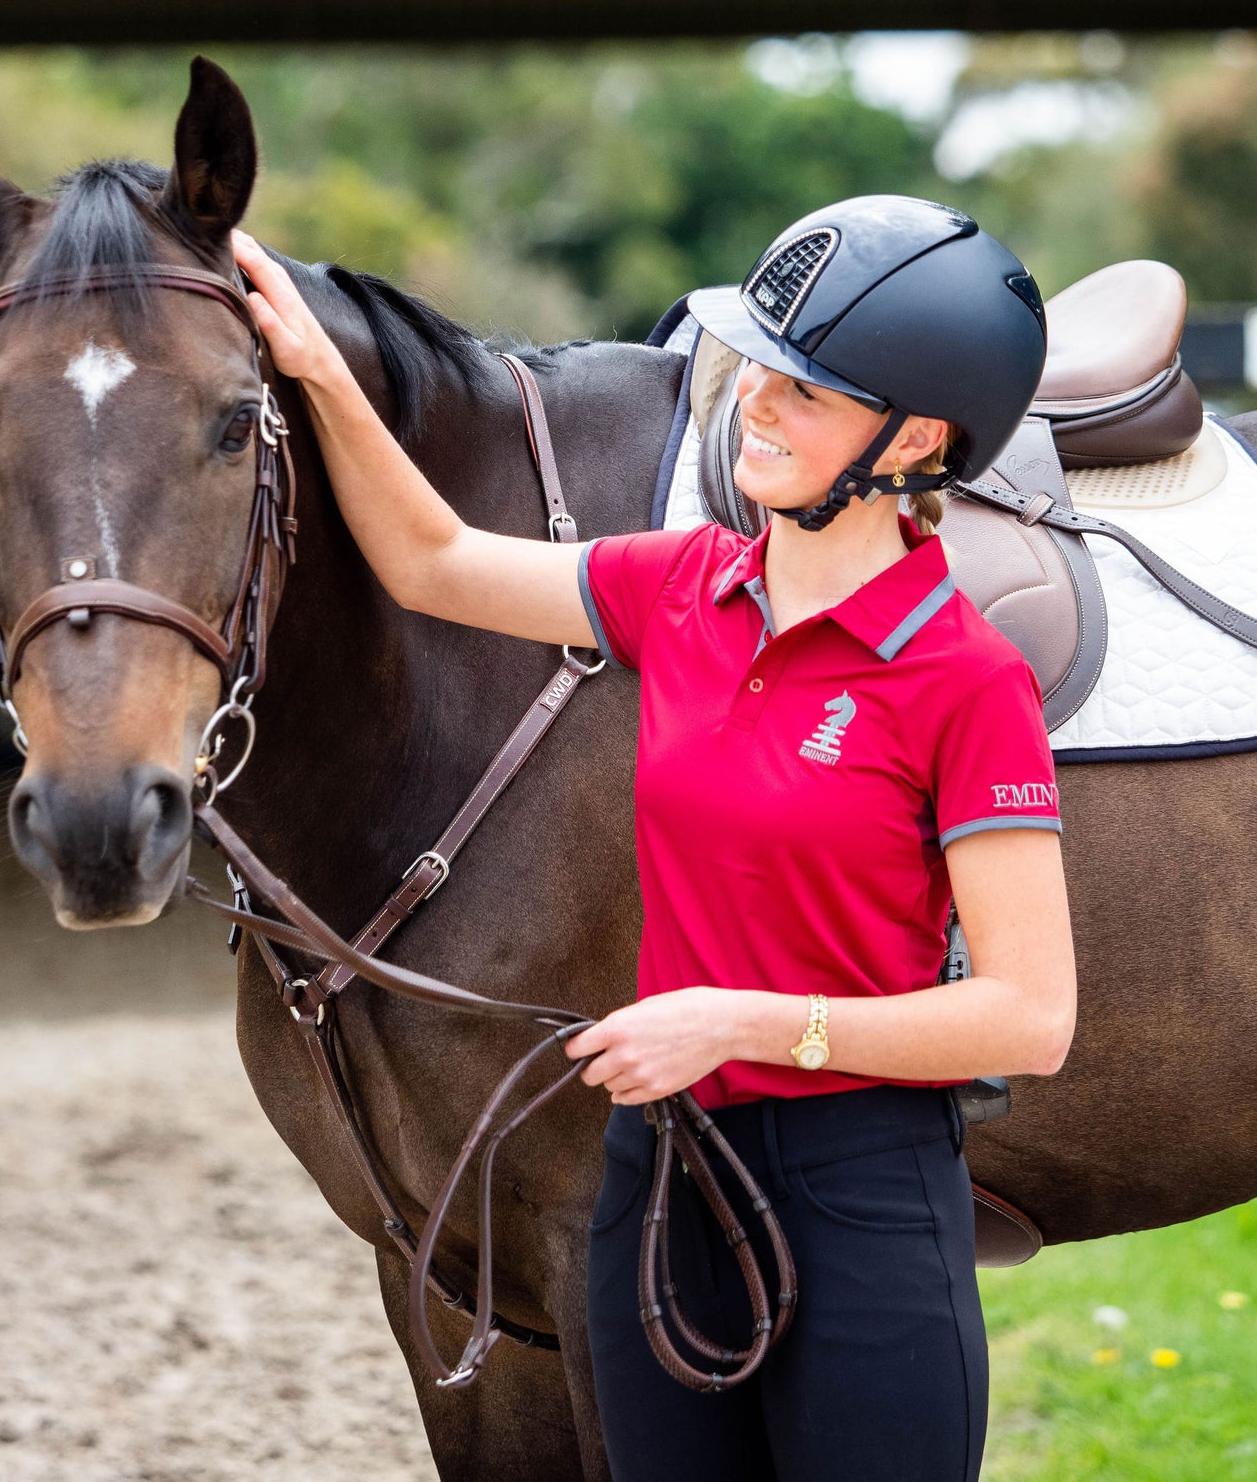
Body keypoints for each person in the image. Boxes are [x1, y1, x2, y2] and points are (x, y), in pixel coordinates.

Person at [231, 192, 1077, 1482]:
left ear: (913, 439)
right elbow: (436, 563)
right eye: (761, 371)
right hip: (660, 1185)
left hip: (865, 1196)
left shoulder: (964, 681)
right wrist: (320, 368)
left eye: (808, 390)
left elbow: (1030, 1017)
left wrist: (742, 1023)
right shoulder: (679, 586)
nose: (755, 403)